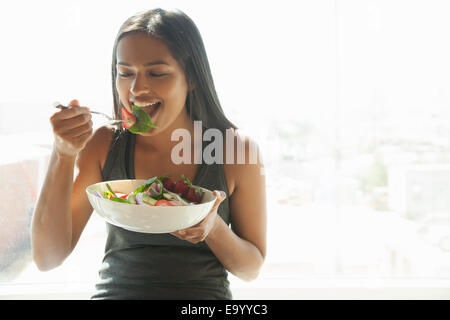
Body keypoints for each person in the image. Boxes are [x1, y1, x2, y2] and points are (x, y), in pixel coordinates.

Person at [31, 8, 266, 300]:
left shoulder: (236, 150)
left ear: (191, 78)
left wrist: (213, 226)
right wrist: (63, 154)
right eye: (125, 73)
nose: (136, 89)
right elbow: (47, 258)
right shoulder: (105, 144)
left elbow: (250, 269)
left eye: (157, 73)